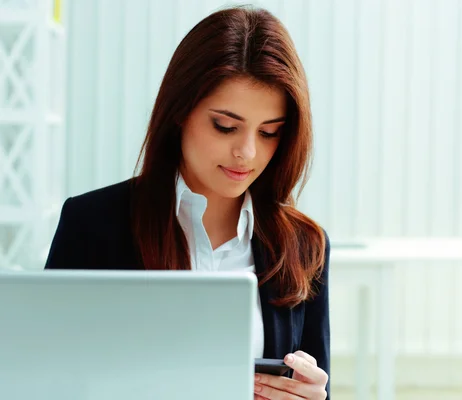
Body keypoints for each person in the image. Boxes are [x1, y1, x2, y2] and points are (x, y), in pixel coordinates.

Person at [45, 5, 331, 400]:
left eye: (269, 133)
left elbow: (312, 378)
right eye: (225, 126)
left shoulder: (303, 245)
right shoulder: (93, 223)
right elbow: (44, 379)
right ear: (180, 111)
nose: (246, 153)